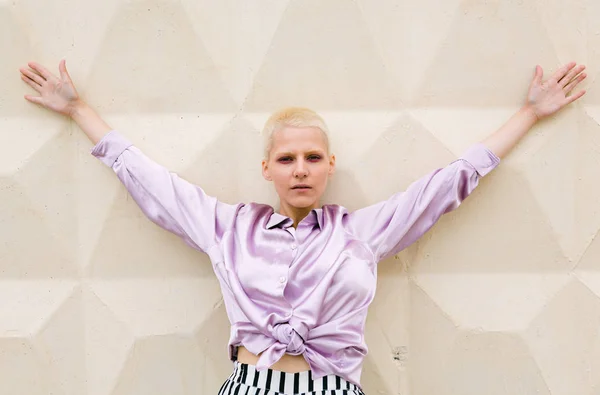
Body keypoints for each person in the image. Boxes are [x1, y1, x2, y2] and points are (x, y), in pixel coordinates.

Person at [19, 59, 587, 395]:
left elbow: (448, 184)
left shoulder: (361, 233)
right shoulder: (226, 228)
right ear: (266, 168)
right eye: (287, 159)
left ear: (329, 165)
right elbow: (149, 180)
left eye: (313, 158)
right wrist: (78, 110)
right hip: (250, 385)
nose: (300, 170)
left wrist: (531, 113)